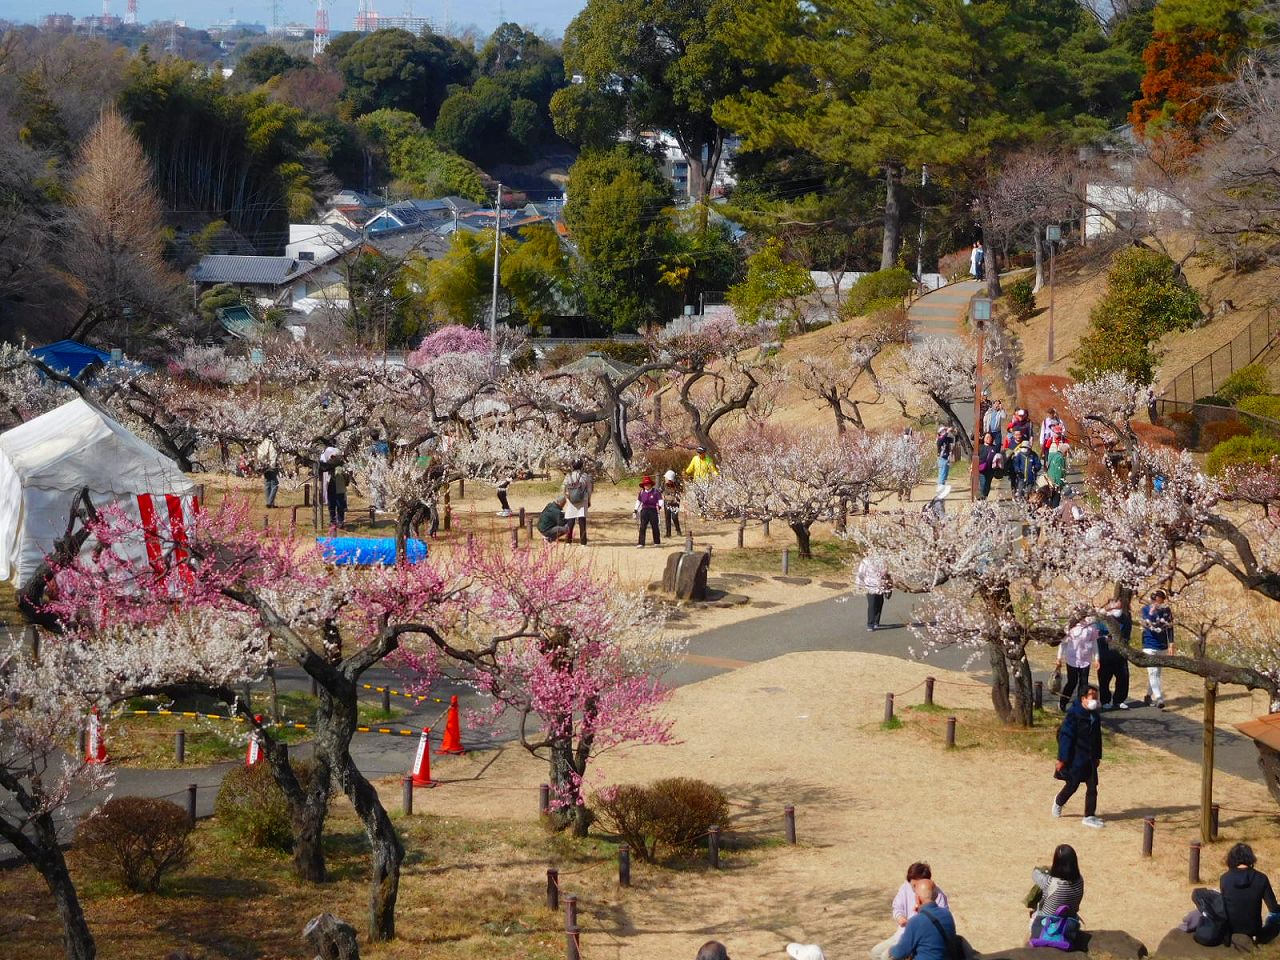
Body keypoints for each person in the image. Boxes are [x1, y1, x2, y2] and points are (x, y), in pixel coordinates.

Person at [870, 862, 950, 960]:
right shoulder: (905, 888)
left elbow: (901, 950)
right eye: (913, 886)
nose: (915, 891)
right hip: (903, 935)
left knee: (885, 956)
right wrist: (900, 917)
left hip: (922, 942)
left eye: (917, 886)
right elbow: (897, 907)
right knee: (875, 953)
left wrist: (892, 951)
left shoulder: (939, 899)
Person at [1053, 685, 1104, 827]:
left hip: (1090, 758)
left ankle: (1089, 816)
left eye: (1096, 697)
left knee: (1092, 787)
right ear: (1083, 699)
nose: (1096, 700)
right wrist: (1062, 759)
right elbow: (1066, 737)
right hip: (1077, 758)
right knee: (1072, 785)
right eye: (1093, 697)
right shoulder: (1074, 714)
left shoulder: (1095, 715)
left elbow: (1097, 737)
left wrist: (1098, 755)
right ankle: (1059, 801)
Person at [1220, 843, 1280, 943]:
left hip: (1231, 930)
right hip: (1254, 931)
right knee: (1276, 915)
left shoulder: (1225, 878)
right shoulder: (1261, 878)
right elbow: (1273, 908)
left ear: (1231, 858)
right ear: (1251, 857)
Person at [890, 878, 958, 960]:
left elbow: (899, 953)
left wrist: (890, 950)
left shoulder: (915, 921)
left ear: (918, 899)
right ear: (935, 896)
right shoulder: (947, 914)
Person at [1031, 845, 1086, 930]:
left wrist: (1046, 869)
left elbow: (1035, 874)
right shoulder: (1080, 880)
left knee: (1038, 890)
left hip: (1046, 923)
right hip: (1069, 921)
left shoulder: (1050, 881)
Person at [1057, 615, 1100, 712]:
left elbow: (1094, 643)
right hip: (1072, 659)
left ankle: (1082, 705)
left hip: (1085, 659)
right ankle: (1063, 702)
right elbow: (1063, 643)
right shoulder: (1071, 626)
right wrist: (1059, 658)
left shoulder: (1091, 627)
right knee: (1072, 682)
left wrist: (1096, 659)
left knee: (1084, 684)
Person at [1140, 589, 1175, 709]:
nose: (1158, 602)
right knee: (1152, 671)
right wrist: (1151, 612)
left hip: (1162, 645)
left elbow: (1170, 627)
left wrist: (1171, 643)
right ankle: (1159, 698)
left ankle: (1148, 696)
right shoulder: (1145, 609)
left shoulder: (1166, 611)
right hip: (1149, 645)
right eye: (1156, 599)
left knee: (1157, 673)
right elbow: (1146, 623)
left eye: (1161, 600)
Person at [1097, 599, 1131, 710]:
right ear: (1110, 608)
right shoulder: (1103, 620)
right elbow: (1096, 636)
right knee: (1104, 679)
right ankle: (1105, 701)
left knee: (1123, 677)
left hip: (1120, 654)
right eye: (1116, 608)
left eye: (1119, 608)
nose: (1118, 611)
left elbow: (1127, 636)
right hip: (1105, 654)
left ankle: (1119, 700)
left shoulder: (1125, 619)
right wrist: (1104, 639)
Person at [856, 553, 893, 631]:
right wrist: (859, 584)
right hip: (870, 586)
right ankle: (870, 624)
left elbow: (887, 573)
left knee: (879, 603)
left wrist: (888, 583)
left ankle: (876, 621)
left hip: (881, 585)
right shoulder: (866, 561)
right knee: (872, 604)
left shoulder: (882, 560)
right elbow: (861, 573)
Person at [562, 459, 593, 545]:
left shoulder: (568, 476)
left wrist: (567, 496)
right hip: (582, 500)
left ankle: (568, 541)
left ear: (572, 466)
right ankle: (583, 542)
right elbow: (589, 489)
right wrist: (589, 500)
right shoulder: (585, 476)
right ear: (581, 466)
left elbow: (563, 488)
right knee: (582, 521)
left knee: (570, 521)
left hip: (571, 500)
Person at [635, 475, 663, 547]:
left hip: (653, 510)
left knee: (655, 526)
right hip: (644, 510)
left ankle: (657, 542)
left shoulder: (656, 492)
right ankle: (641, 543)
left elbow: (660, 500)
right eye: (645, 484)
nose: (646, 485)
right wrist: (635, 510)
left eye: (648, 484)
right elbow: (638, 501)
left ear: (651, 484)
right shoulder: (641, 492)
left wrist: (659, 507)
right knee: (642, 526)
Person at [256, 434, 280, 508]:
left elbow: (260, 455)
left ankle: (270, 503)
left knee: (268, 484)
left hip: (264, 466)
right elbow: (274, 455)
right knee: (275, 484)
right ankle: (270, 502)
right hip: (272, 466)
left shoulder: (263, 444)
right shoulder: (272, 443)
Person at [1045, 440, 1068, 508]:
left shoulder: (1053, 455)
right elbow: (1059, 472)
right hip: (1055, 482)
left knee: (1050, 498)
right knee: (1056, 499)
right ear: (1065, 451)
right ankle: (1054, 513)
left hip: (1050, 480)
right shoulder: (1060, 458)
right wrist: (1059, 484)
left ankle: (1049, 512)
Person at [327, 461, 349, 529]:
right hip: (331, 489)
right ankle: (332, 522)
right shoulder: (327, 466)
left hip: (339, 489)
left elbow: (346, 476)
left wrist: (345, 483)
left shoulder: (341, 468)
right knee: (331, 506)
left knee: (340, 506)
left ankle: (340, 522)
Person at [976, 432, 998, 500]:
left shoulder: (994, 448)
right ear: (984, 438)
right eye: (987, 437)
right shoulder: (980, 447)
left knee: (987, 485)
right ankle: (981, 500)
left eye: (990, 437)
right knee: (983, 484)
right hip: (981, 470)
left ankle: (984, 499)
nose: (989, 439)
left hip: (990, 470)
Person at [662, 470, 683, 537]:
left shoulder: (677, 484)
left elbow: (681, 492)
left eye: (667, 479)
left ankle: (678, 530)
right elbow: (660, 490)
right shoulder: (663, 483)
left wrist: (676, 498)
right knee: (667, 517)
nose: (666, 480)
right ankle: (668, 533)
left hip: (675, 503)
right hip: (666, 502)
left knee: (674, 517)